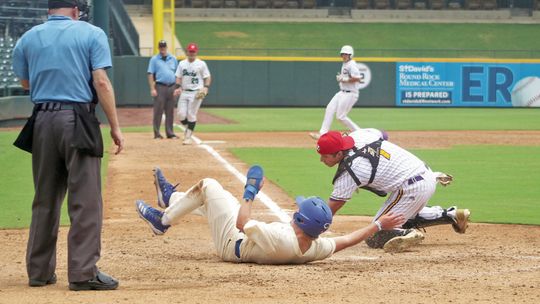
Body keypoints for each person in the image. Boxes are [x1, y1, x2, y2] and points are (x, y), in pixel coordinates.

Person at [12, 0, 123, 291]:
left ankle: (39, 272)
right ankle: (83, 272)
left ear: (49, 10)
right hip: (77, 119)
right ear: (76, 10)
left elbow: (25, 83)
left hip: (41, 121)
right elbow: (101, 82)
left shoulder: (28, 38)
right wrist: (114, 126)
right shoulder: (91, 33)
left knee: (45, 197)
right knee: (85, 200)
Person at [135, 166, 405, 264]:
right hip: (242, 242)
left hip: (231, 241)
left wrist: (250, 190)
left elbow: (242, 223)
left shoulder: (280, 237)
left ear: (300, 221)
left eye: (299, 210)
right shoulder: (314, 247)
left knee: (209, 185)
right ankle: (169, 198)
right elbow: (345, 241)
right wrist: (377, 224)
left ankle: (163, 221)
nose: (295, 210)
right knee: (212, 202)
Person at [316, 129, 470, 253]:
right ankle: (451, 215)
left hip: (412, 188)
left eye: (325, 156)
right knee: (397, 214)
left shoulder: (351, 172)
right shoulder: (359, 134)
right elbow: (383, 134)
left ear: (339, 153)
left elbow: (332, 208)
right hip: (422, 173)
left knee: (375, 235)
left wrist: (312, 230)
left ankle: (406, 232)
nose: (321, 160)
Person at [310, 45, 362, 140]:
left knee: (340, 117)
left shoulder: (352, 65)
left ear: (350, 55)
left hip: (350, 93)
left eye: (346, 54)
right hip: (342, 93)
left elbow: (358, 78)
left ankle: (359, 133)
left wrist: (344, 79)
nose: (344, 56)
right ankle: (323, 134)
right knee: (329, 108)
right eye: (343, 54)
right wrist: (342, 78)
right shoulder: (345, 64)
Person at [173, 42, 211, 145]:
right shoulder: (182, 63)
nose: (192, 53)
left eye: (193, 51)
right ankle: (189, 129)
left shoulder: (201, 64)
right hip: (184, 92)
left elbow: (207, 76)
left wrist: (206, 88)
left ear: (196, 52)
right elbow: (178, 76)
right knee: (181, 114)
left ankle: (188, 137)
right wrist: (177, 87)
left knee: (191, 114)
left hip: (196, 92)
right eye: (190, 51)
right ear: (187, 51)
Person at [147, 40, 178, 139]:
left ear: (166, 47)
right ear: (158, 48)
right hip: (160, 86)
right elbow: (150, 74)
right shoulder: (154, 59)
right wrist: (152, 88)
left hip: (172, 86)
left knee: (170, 111)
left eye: (164, 47)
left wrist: (177, 87)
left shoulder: (173, 58)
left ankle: (170, 133)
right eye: (161, 47)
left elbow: (178, 73)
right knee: (158, 110)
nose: (162, 49)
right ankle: (157, 134)